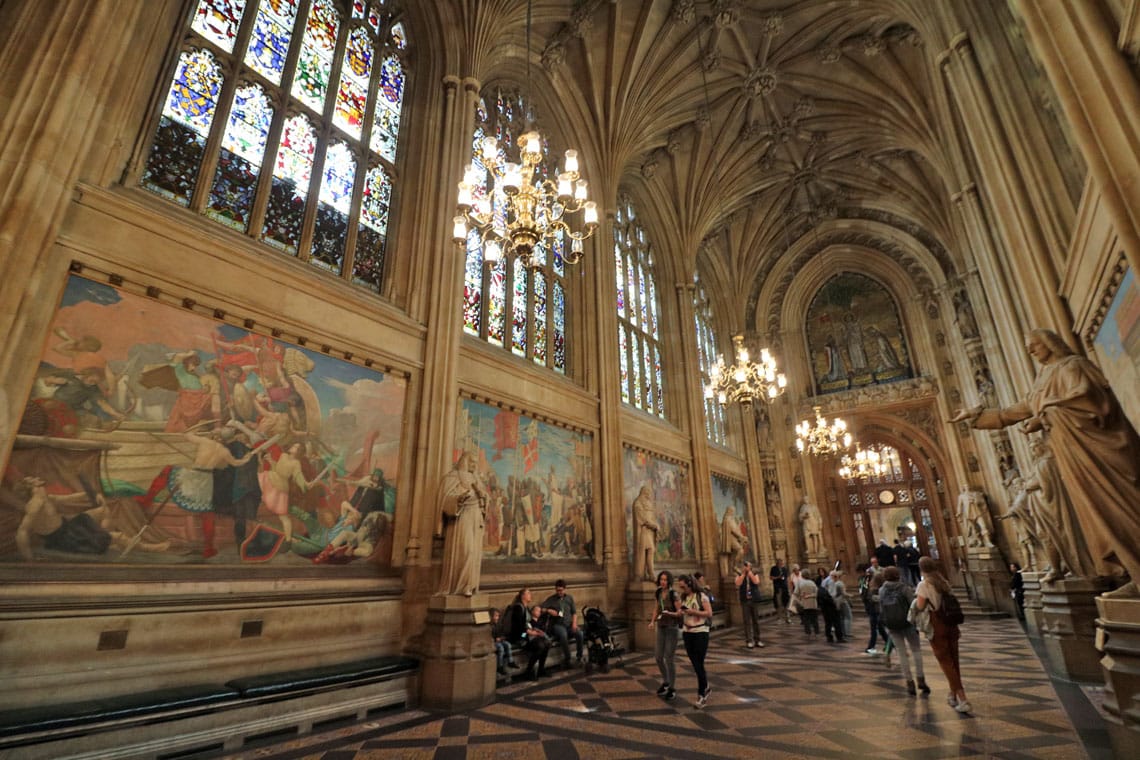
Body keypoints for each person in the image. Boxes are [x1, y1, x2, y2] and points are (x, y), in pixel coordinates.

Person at [951, 328, 1140, 595]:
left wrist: (1046, 414)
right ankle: (1133, 572)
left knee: (1120, 504)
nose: (1030, 350)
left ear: (1050, 343)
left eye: (1034, 345)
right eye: (1028, 346)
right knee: (1098, 511)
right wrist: (976, 416)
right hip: (1072, 455)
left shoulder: (1074, 366)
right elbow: (1013, 412)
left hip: (1099, 451)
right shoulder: (1043, 378)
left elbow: (1091, 401)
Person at [916, 557, 970, 713]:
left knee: (946, 663)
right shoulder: (943, 582)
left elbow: (920, 606)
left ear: (921, 569)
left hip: (937, 626)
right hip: (951, 625)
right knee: (954, 661)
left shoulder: (924, 585)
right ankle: (953, 695)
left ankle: (963, 699)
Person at [436, 451, 487, 596]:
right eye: (471, 462)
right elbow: (444, 500)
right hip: (462, 518)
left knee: (474, 554)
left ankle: (469, 586)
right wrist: (459, 499)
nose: (474, 465)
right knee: (466, 551)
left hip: (476, 518)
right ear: (464, 461)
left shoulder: (477, 480)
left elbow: (485, 499)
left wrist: (483, 497)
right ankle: (457, 586)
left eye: (476, 463)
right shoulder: (453, 477)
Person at [879, 566, 929, 696]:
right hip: (907, 624)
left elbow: (881, 608)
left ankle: (909, 682)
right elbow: (913, 605)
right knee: (916, 651)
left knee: (901, 654)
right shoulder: (903, 588)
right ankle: (920, 678)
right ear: (898, 575)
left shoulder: (882, 590)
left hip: (892, 625)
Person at [678, 574, 713, 708]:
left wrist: (693, 612)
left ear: (690, 584)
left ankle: (701, 694)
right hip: (688, 632)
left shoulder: (701, 596)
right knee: (695, 663)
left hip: (701, 632)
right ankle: (706, 687)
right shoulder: (684, 597)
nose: (682, 589)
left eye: (684, 586)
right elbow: (683, 612)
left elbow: (709, 613)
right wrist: (677, 613)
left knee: (699, 663)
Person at [648, 570, 681, 701]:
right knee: (658, 656)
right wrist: (652, 621)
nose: (663, 582)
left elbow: (680, 612)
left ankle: (672, 688)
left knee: (669, 658)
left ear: (669, 581)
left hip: (672, 627)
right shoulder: (658, 592)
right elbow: (656, 608)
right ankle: (666, 681)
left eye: (665, 580)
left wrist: (670, 613)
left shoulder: (674, 594)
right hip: (661, 626)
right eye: (661, 579)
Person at [541, 579, 585, 669]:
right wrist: (549, 610)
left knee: (580, 634)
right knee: (563, 635)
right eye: (557, 590)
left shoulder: (569, 598)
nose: (559, 592)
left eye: (561, 590)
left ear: (564, 589)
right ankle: (567, 659)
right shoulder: (552, 599)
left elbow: (574, 613)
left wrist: (574, 624)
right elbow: (541, 609)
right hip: (558, 625)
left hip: (569, 624)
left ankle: (579, 657)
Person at [507, 588, 549, 680]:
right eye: (528, 593)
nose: (530, 595)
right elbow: (520, 627)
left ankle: (541, 669)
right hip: (519, 636)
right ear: (523, 596)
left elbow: (529, 623)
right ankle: (528, 671)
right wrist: (531, 633)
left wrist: (537, 630)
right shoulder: (518, 608)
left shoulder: (526, 607)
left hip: (526, 633)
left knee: (547, 643)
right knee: (540, 645)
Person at [735, 561, 765, 649]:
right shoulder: (740, 574)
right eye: (744, 566)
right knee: (747, 621)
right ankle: (749, 640)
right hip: (745, 600)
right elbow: (738, 583)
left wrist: (750, 573)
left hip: (754, 600)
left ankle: (758, 639)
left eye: (747, 566)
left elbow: (756, 582)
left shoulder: (754, 573)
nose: (746, 568)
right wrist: (744, 574)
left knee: (755, 620)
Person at [632, 485, 659, 581]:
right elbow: (642, 518)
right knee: (644, 551)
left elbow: (652, 517)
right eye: (647, 492)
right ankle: (641, 574)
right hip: (643, 531)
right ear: (643, 492)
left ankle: (650, 572)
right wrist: (653, 525)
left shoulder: (649, 503)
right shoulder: (638, 503)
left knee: (650, 550)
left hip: (650, 532)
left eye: (649, 492)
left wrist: (656, 525)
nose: (649, 494)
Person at [490, 608, 518, 677]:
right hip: (493, 642)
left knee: (507, 644)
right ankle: (500, 666)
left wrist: (502, 638)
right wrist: (495, 639)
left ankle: (510, 661)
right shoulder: (490, 626)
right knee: (501, 648)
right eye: (495, 616)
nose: (497, 618)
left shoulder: (499, 625)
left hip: (500, 640)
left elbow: (503, 633)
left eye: (498, 616)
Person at [719, 506, 746, 577]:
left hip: (734, 539)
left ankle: (731, 571)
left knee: (733, 555)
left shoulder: (731, 519)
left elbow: (736, 529)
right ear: (729, 511)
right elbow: (733, 530)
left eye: (734, 511)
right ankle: (735, 566)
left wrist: (741, 536)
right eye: (732, 511)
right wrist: (741, 537)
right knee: (740, 550)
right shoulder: (727, 519)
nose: (733, 512)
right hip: (731, 540)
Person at [793, 568, 820, 636]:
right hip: (813, 604)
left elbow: (796, 593)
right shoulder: (812, 583)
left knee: (806, 619)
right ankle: (816, 632)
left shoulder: (799, 583)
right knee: (814, 618)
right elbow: (817, 593)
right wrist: (810, 595)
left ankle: (808, 632)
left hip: (804, 603)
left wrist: (801, 596)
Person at [770, 557, 790, 623]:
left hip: (784, 588)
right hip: (778, 588)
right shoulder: (773, 569)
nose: (781, 564)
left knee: (786, 603)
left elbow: (786, 578)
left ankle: (787, 618)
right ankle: (780, 618)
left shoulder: (784, 569)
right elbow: (771, 577)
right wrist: (778, 577)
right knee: (779, 603)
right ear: (777, 563)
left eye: (781, 563)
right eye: (779, 563)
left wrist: (788, 587)